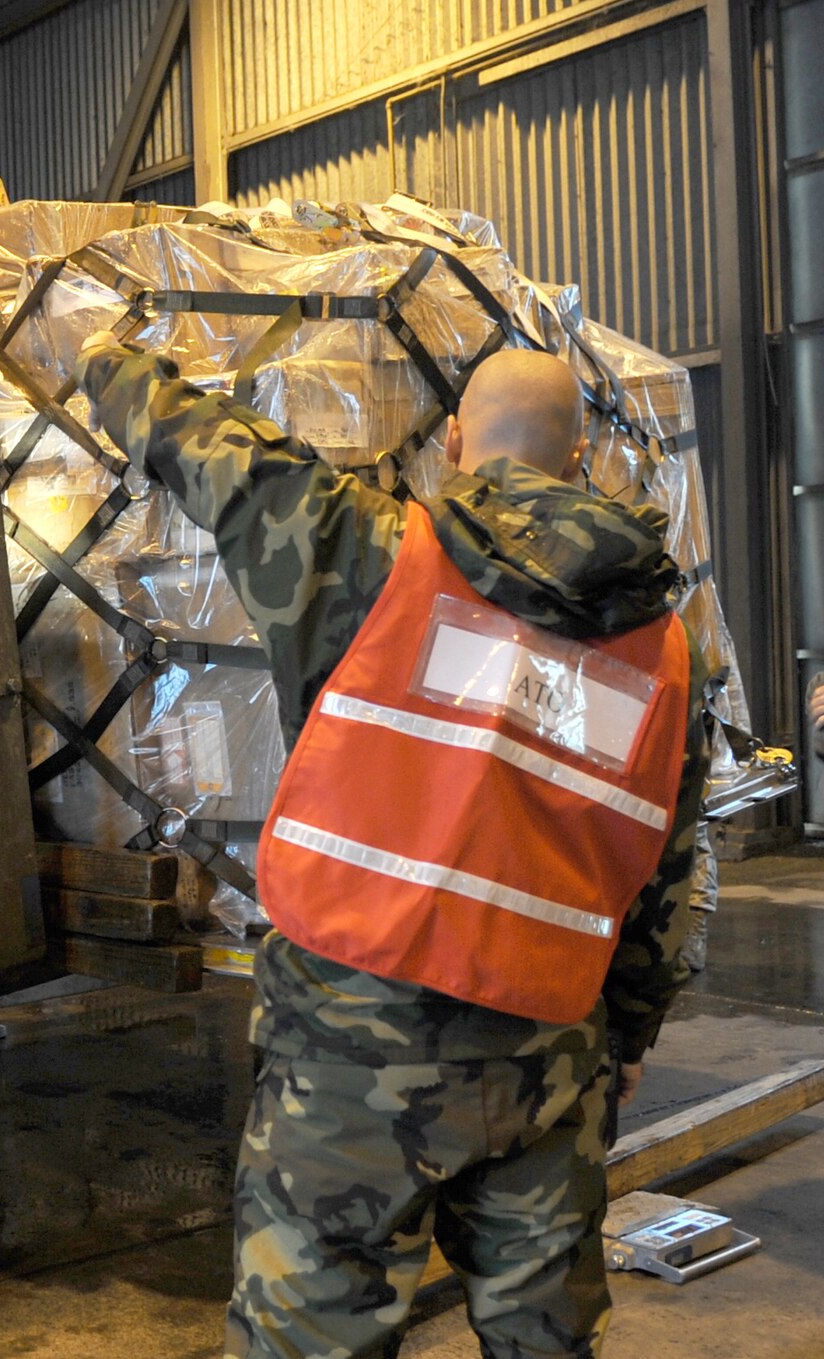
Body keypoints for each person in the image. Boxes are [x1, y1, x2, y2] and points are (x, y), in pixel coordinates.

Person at [76, 340, 708, 1359]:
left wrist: (106, 362)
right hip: (547, 1056)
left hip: (347, 1059)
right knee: (544, 1340)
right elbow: (664, 879)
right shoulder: (665, 653)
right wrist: (627, 1035)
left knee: (311, 1338)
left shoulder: (359, 550)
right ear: (579, 451)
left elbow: (207, 448)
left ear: (452, 443)